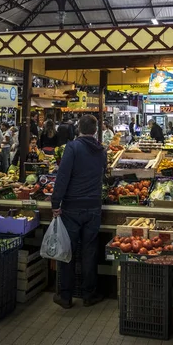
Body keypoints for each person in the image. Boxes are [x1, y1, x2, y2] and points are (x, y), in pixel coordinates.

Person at [51, 114, 107, 309]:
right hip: (93, 207)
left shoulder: (72, 148)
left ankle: (65, 296)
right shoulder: (101, 150)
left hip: (72, 208)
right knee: (89, 251)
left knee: (68, 251)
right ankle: (89, 295)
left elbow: (63, 176)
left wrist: (55, 202)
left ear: (78, 129)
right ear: (96, 130)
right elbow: (103, 172)